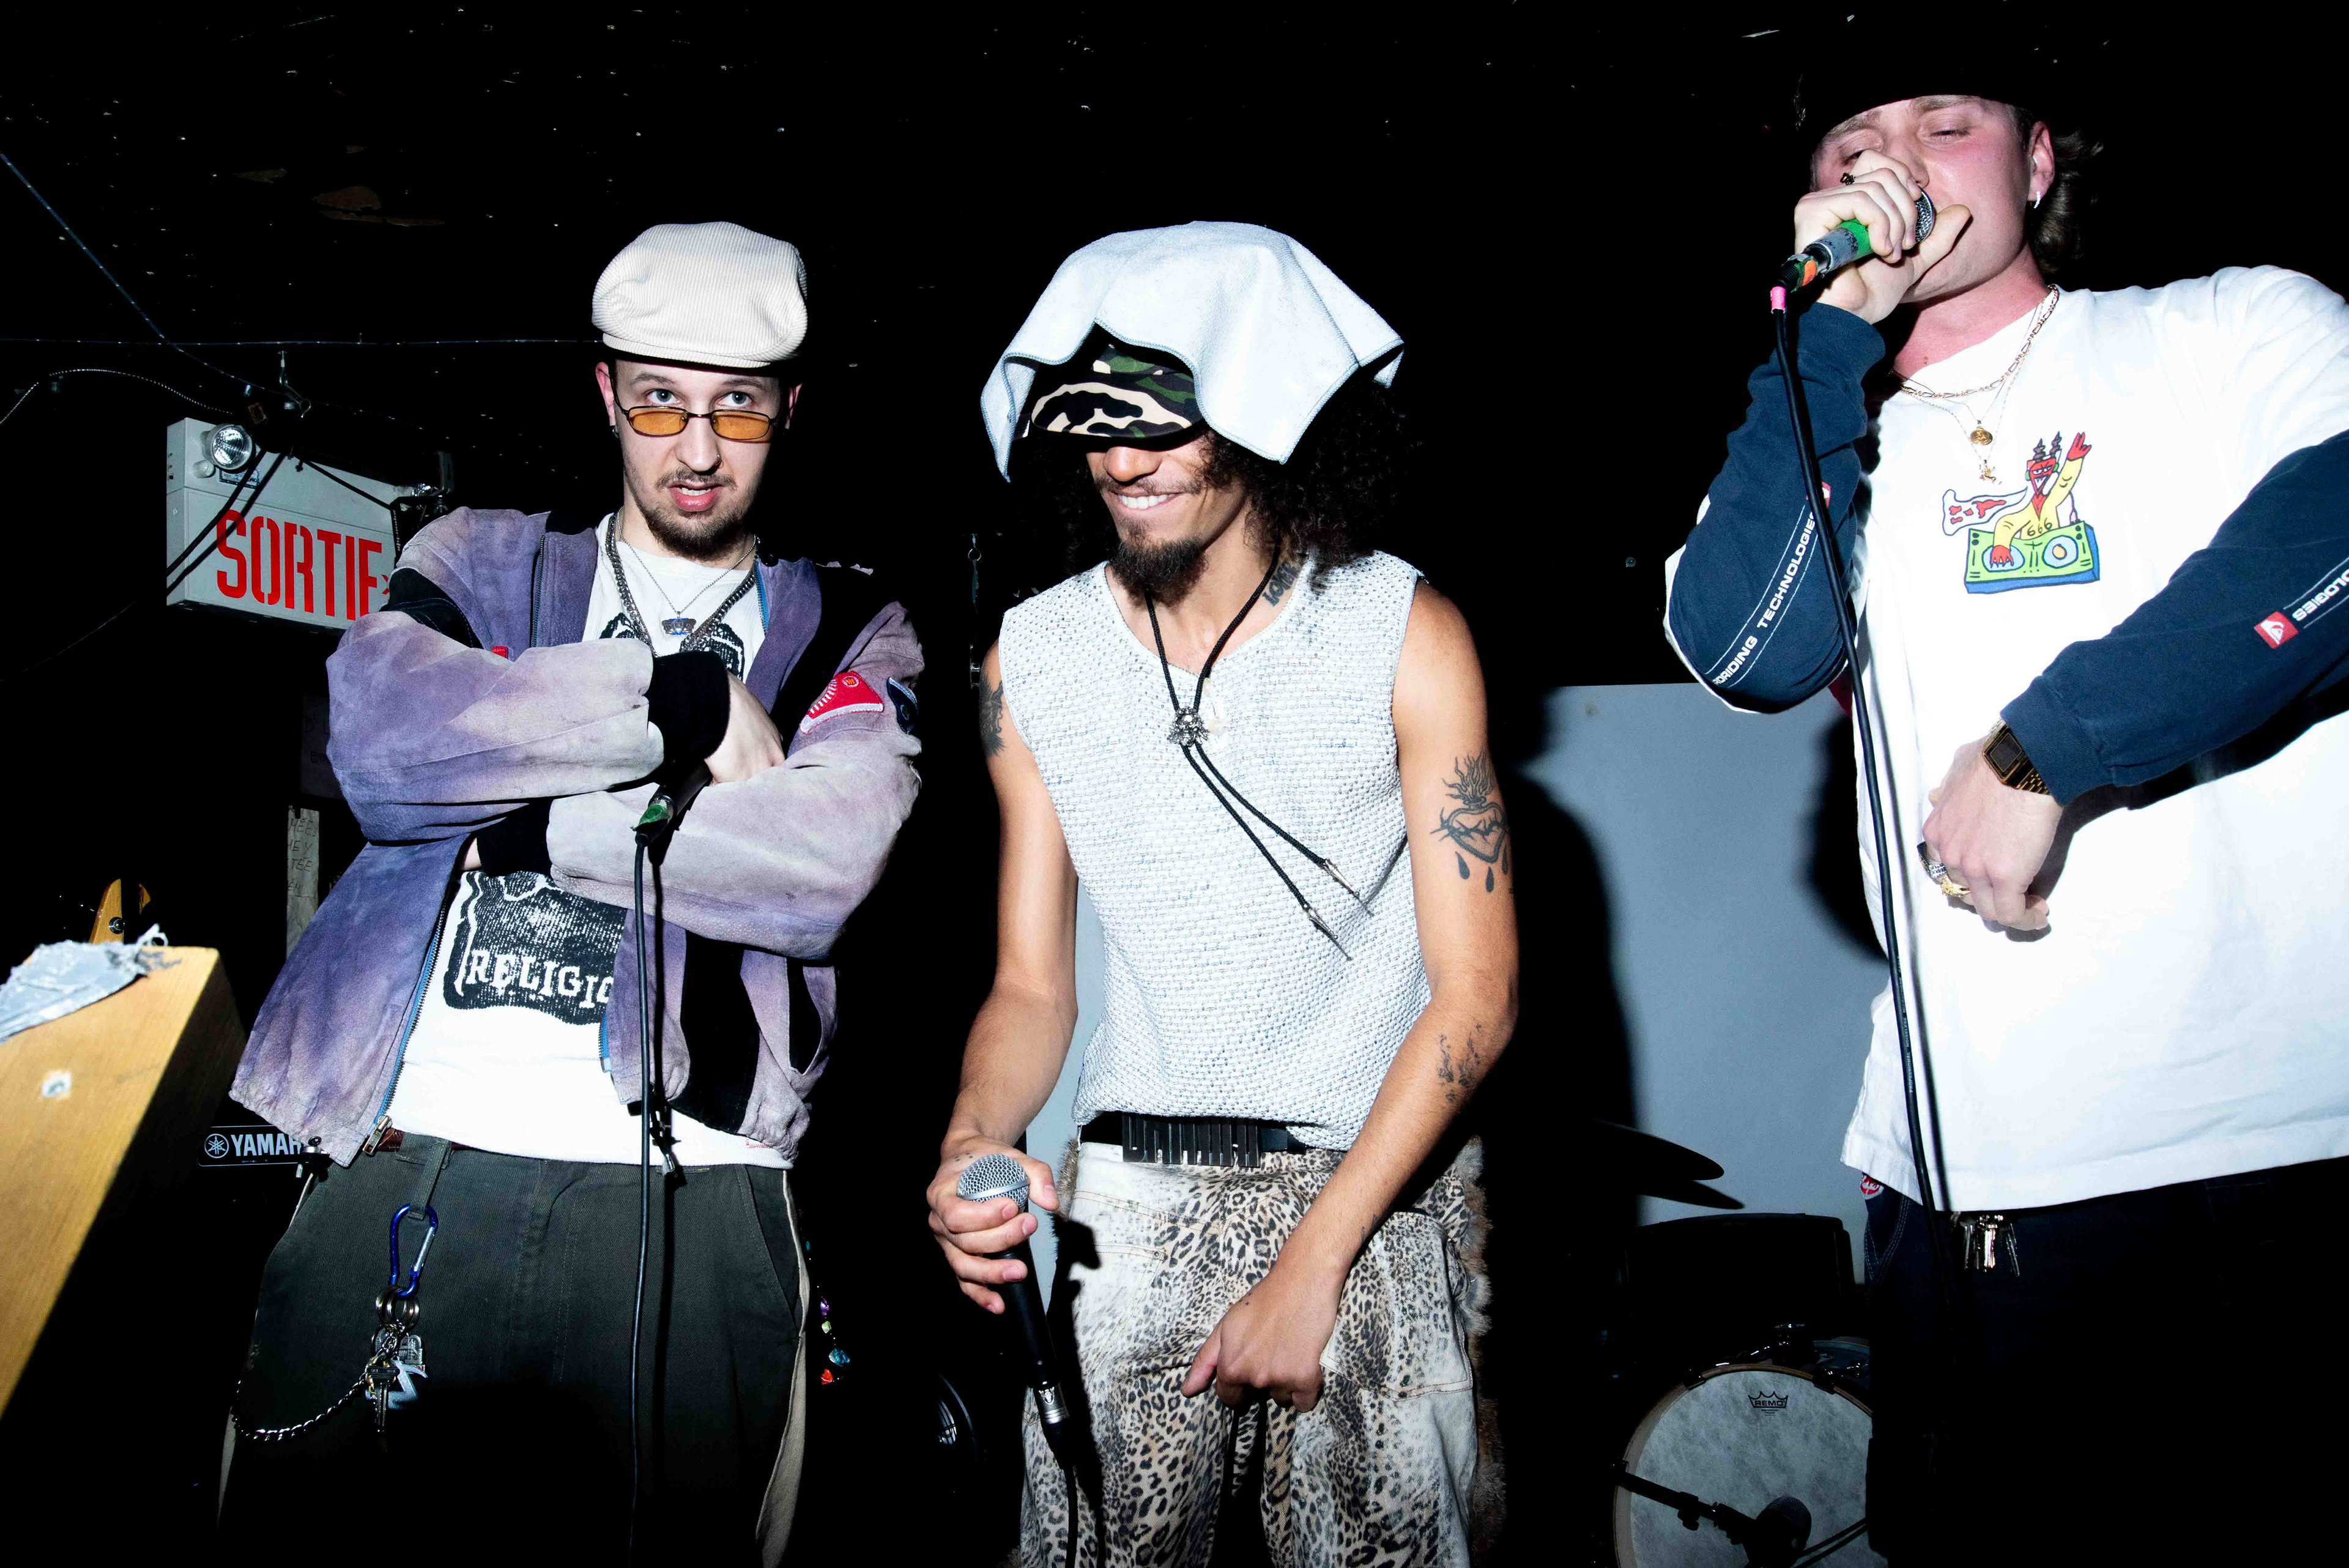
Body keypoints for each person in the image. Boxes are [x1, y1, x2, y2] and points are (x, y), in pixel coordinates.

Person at [1662, 29, 2349, 1562]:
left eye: (1947, 123)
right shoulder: (1823, 439)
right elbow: (1749, 648)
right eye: (1857, 144)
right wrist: (1825, 340)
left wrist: (2053, 743)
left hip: (2263, 1153)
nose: (1897, 164)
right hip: (1973, 1183)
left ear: (2039, 161)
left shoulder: (2226, 330)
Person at [220, 221, 924, 1563]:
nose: (697, 448)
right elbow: (381, 741)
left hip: (697, 1189)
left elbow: (823, 865)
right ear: (606, 392)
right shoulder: (484, 560)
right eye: (659, 400)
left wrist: (531, 817)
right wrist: (678, 700)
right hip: (410, 1156)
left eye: (738, 406)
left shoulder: (851, 625)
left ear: (791, 411)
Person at [926, 221, 1515, 1568]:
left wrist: (1313, 1263)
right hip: (1131, 1207)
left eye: (1164, 426)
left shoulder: (1404, 632)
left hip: (1370, 1203)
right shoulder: (1032, 659)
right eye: (1095, 427)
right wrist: (972, 1141)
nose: (1124, 464)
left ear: (1263, 412)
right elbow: (1032, 985)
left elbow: (1477, 996)